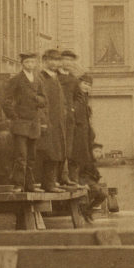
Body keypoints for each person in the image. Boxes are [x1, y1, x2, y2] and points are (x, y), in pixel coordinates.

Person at [2, 51, 47, 192]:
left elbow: (44, 99)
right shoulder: (16, 79)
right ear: (22, 64)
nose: (30, 65)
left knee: (32, 157)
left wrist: (37, 100)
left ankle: (30, 185)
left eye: (33, 62)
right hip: (20, 123)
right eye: (27, 62)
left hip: (34, 123)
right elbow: (6, 100)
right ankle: (19, 184)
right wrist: (14, 117)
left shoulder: (39, 80)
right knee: (21, 155)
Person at [36, 48, 67, 192]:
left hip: (58, 123)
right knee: (47, 153)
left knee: (57, 152)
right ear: (44, 61)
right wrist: (43, 121)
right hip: (47, 123)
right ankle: (47, 184)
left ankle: (52, 182)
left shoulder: (55, 79)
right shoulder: (41, 78)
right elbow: (39, 102)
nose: (55, 63)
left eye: (58, 60)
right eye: (52, 60)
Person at [57, 49, 82, 188]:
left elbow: (79, 97)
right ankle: (56, 178)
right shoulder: (55, 77)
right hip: (56, 118)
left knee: (68, 148)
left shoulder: (74, 79)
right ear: (61, 61)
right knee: (56, 148)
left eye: (71, 60)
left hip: (69, 119)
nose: (69, 63)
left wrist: (73, 108)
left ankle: (65, 177)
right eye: (66, 60)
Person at [70, 73, 96, 184]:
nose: (87, 86)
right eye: (85, 83)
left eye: (89, 85)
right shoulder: (76, 97)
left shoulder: (85, 98)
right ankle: (75, 179)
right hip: (77, 131)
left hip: (84, 131)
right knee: (76, 155)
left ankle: (81, 179)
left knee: (84, 156)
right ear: (79, 83)